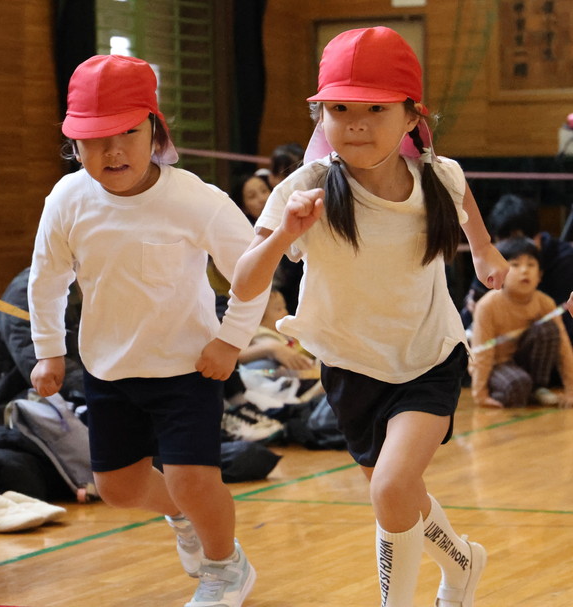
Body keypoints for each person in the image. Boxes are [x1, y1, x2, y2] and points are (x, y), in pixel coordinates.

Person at [230, 27, 510, 607]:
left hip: (429, 358)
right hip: (350, 369)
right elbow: (244, 283)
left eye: (375, 109)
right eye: (339, 109)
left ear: (411, 116)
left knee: (390, 486)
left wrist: (485, 252)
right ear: (320, 115)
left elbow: (465, 206)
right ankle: (462, 564)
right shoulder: (304, 189)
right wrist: (284, 233)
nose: (355, 123)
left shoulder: (439, 176)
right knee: (398, 496)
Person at [27, 55, 268, 607]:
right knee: (117, 487)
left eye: (128, 133)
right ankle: (185, 517)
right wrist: (49, 351)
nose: (113, 151)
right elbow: (47, 280)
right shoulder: (66, 200)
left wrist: (230, 339)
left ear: (155, 130)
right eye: (96, 139)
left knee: (191, 478)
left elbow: (254, 272)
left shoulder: (197, 200)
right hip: (109, 369)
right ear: (74, 144)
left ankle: (225, 568)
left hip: (188, 368)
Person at [469, 238, 573, 409]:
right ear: (501, 273)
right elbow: (482, 352)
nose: (524, 270)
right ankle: (513, 390)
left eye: (531, 265)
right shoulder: (487, 306)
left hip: (525, 365)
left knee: (548, 330)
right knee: (518, 385)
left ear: (540, 275)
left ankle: (536, 388)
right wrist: (480, 394)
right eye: (515, 265)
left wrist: (571, 390)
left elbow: (563, 347)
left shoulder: (545, 303)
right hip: (497, 365)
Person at [0, 267, 84, 427]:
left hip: (58, 408)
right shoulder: (28, 289)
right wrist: (102, 386)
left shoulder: (92, 284)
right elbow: (43, 368)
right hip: (4, 413)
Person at [460, 194, 573, 344]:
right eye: (507, 244)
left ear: (538, 237)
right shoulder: (494, 259)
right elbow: (468, 319)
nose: (515, 251)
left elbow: (564, 326)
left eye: (530, 263)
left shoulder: (565, 260)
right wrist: (472, 307)